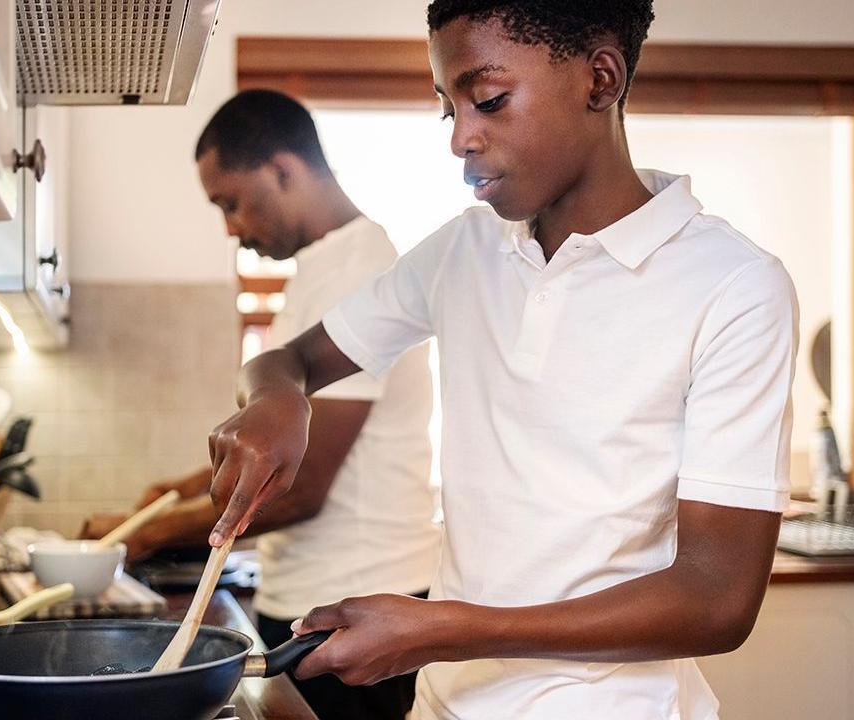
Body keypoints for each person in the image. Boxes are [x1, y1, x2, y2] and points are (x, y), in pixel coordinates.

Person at [201, 2, 799, 719]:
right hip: (445, 707)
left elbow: (717, 599)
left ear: (600, 79)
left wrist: (443, 630)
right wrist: (277, 397)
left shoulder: (734, 284)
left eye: (487, 100)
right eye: (446, 107)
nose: (460, 138)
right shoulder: (465, 251)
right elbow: (290, 360)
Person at [79, 89, 441, 720]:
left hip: (360, 607)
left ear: (284, 168)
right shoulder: (324, 268)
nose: (230, 227)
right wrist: (179, 489)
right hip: (316, 597)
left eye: (231, 202)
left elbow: (301, 487)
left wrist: (144, 535)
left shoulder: (358, 270)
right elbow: (280, 438)